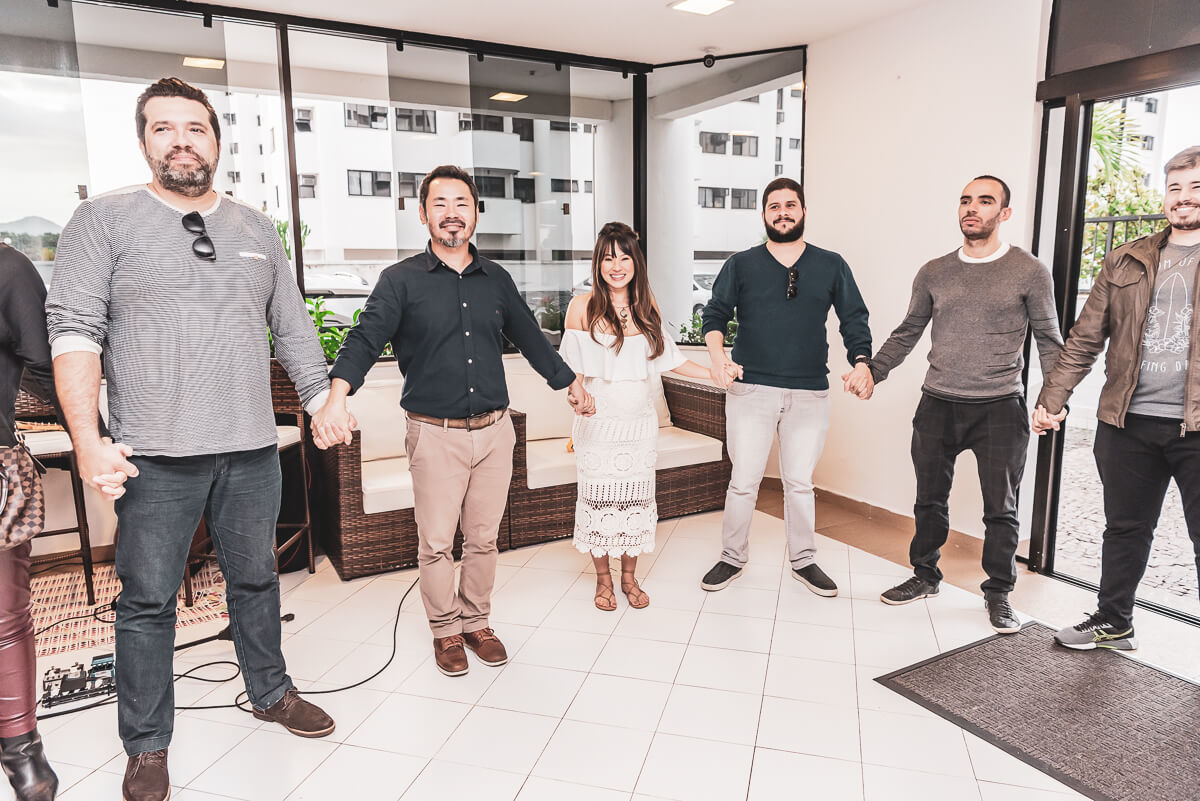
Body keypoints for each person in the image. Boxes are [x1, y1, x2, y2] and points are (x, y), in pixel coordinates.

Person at [46, 77, 336, 801]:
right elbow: (74, 331)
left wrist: (321, 397)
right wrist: (88, 438)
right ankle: (147, 745)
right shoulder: (102, 220)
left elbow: (293, 326)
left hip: (248, 449)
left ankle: (270, 691)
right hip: (153, 457)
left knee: (257, 579)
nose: (182, 140)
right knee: (147, 600)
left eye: (196, 128)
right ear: (144, 141)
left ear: (216, 138)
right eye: (164, 128)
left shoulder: (255, 227)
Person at [311, 165, 594, 676]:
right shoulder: (400, 281)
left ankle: (477, 621)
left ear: (476, 214)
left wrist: (569, 381)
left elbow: (532, 340)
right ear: (423, 215)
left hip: (495, 431)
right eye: (439, 204)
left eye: (461, 203)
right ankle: (445, 631)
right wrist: (336, 397)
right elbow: (364, 339)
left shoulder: (498, 281)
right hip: (434, 434)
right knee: (437, 543)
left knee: (483, 539)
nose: (451, 214)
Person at [848, 176, 1063, 633]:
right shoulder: (934, 272)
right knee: (929, 499)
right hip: (938, 404)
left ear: (1004, 213)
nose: (972, 208)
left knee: (1000, 508)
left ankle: (999, 594)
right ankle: (924, 575)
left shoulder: (1028, 271)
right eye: (966, 200)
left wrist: (1052, 399)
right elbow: (909, 330)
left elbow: (1049, 340)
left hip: (1000, 407)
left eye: (985, 201)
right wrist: (873, 369)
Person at [1035, 146, 1200, 651]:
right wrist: (1052, 399)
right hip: (1127, 420)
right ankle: (1114, 621)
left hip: (1194, 427)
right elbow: (1085, 338)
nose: (1183, 198)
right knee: (1124, 528)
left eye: (1196, 187)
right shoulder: (1126, 258)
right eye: (1175, 187)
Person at [699, 177, 872, 596]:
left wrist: (862, 363)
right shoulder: (741, 264)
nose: (782, 213)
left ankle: (804, 560)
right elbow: (714, 315)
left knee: (799, 482)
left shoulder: (832, 264)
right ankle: (731, 557)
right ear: (764, 215)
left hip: (810, 392)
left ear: (803, 211)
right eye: (774, 207)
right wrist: (719, 358)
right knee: (744, 480)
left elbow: (854, 319)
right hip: (751, 389)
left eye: (790, 205)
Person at [562, 222, 736, 610]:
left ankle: (629, 577)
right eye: (608, 258)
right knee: (598, 502)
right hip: (597, 425)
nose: (617, 265)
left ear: (635, 263)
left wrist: (714, 374)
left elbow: (671, 360)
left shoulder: (646, 310)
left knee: (635, 503)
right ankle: (603, 580)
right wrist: (577, 396)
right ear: (598, 263)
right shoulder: (582, 307)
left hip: (639, 426)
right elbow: (571, 369)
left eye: (624, 257)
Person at [0, 243, 69, 800]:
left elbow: (48, 370)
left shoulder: (7, 268)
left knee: (3, 618)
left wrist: (93, 441)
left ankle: (22, 752)